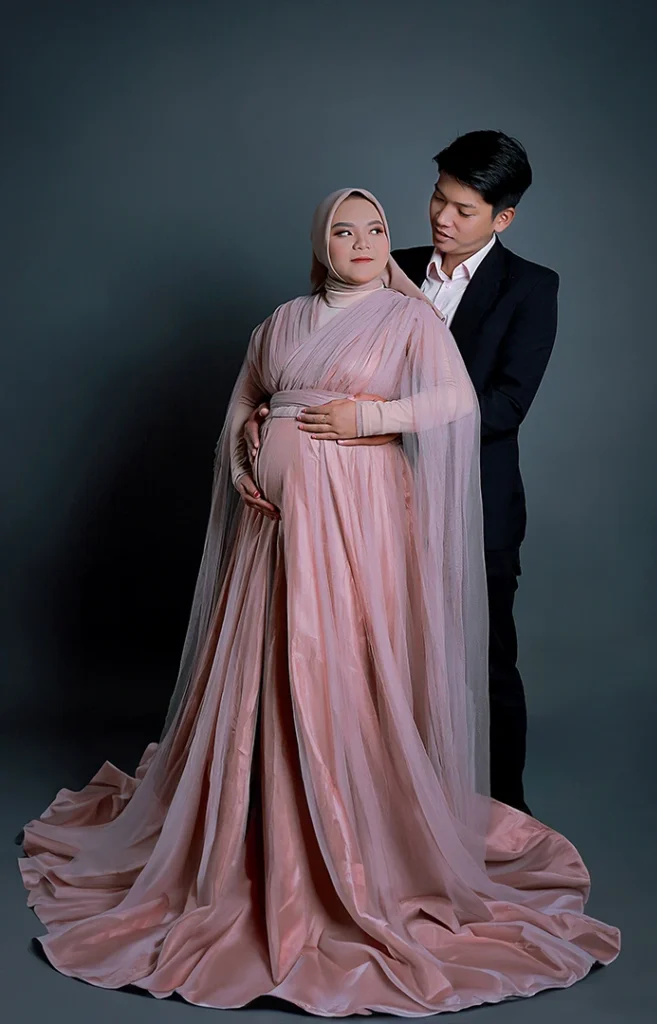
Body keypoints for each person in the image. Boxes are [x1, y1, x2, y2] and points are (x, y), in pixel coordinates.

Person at [19, 189, 619, 1015]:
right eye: (345, 231)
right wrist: (243, 462)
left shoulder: (408, 321)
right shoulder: (280, 321)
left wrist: (368, 418)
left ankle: (348, 829)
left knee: (342, 656)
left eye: (376, 229)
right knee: (270, 659)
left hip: (360, 522)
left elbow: (455, 403)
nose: (364, 242)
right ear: (321, 243)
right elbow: (243, 403)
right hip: (270, 530)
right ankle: (260, 819)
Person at [246, 132, 555, 814]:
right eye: (437, 199)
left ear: (502, 218)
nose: (441, 218)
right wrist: (277, 410)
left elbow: (505, 404)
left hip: (475, 501)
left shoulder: (531, 288)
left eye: (463, 210)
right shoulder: (389, 262)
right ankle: (382, 801)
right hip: (366, 500)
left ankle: (502, 811)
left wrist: (383, 419)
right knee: (372, 648)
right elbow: (319, 354)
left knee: (485, 657)